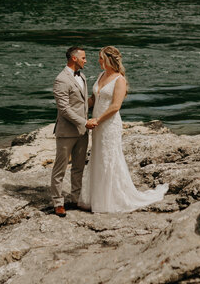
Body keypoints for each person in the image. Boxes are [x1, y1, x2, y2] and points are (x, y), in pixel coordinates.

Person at [79, 46, 168, 213]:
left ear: (109, 60)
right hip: (97, 124)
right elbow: (93, 99)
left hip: (109, 124)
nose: (98, 61)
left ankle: (111, 200)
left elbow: (115, 106)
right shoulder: (101, 75)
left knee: (109, 158)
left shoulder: (119, 80)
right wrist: (77, 106)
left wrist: (97, 119)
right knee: (98, 157)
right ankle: (97, 198)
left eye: (101, 58)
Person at [51, 46, 96, 217]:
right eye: (83, 58)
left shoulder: (82, 76)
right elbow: (64, 109)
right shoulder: (61, 79)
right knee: (60, 168)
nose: (86, 60)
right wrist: (85, 122)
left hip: (82, 132)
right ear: (74, 58)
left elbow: (82, 104)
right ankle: (57, 202)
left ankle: (76, 198)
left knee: (78, 167)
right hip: (67, 132)